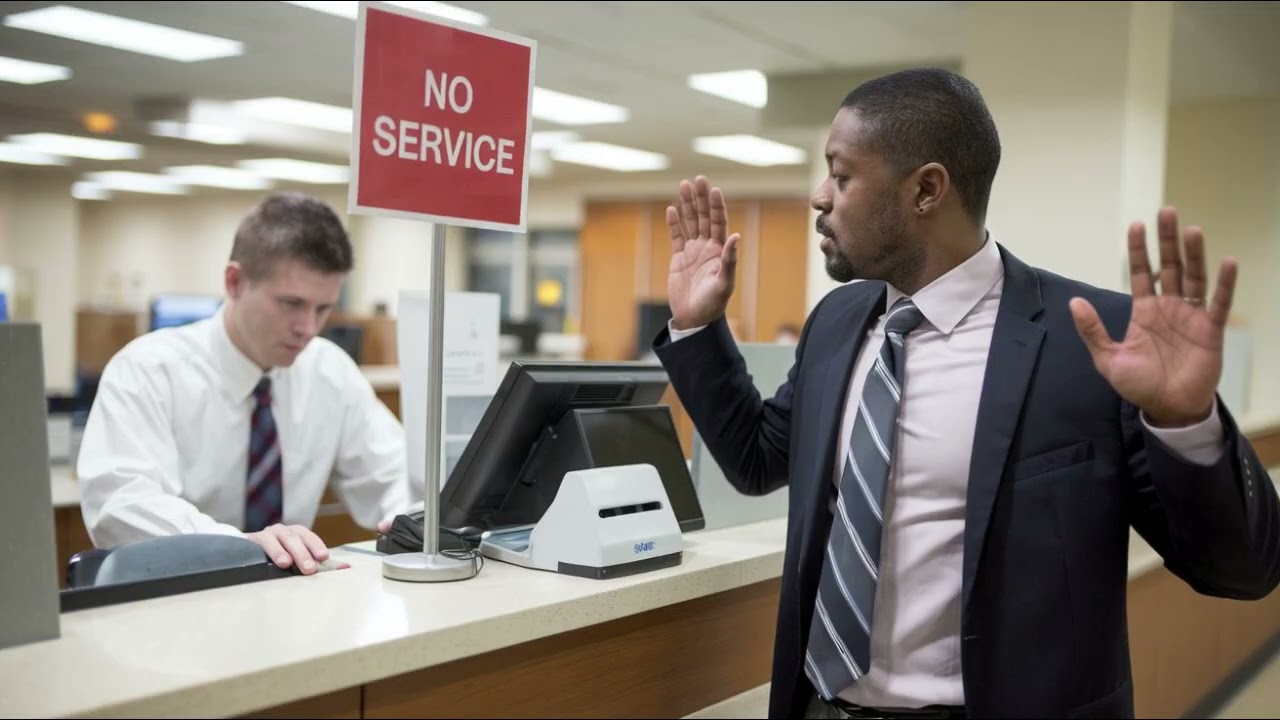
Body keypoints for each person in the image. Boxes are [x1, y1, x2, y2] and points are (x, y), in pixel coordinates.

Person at [654, 68, 1279, 719]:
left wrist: (1185, 421)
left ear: (926, 190)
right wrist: (698, 327)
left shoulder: (1095, 343)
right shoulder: (838, 323)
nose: (819, 196)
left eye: (841, 176)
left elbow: (1241, 570)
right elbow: (759, 460)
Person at [78, 193, 415, 575]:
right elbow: (120, 505)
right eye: (291, 303)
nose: (308, 328)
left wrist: (418, 520)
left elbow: (393, 476)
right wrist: (235, 548)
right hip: (174, 603)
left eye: (322, 309)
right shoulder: (148, 370)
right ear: (234, 282)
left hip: (288, 603)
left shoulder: (329, 371)